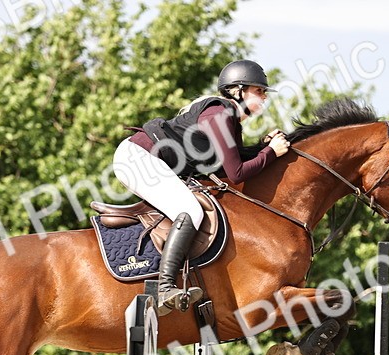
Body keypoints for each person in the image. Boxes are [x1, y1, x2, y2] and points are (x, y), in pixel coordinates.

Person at [112, 59, 291, 313]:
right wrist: (271, 153)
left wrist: (264, 147)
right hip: (139, 158)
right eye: (259, 91)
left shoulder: (227, 119)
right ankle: (163, 288)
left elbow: (228, 166)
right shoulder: (220, 114)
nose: (264, 97)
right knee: (192, 210)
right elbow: (237, 173)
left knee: (190, 207)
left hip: (145, 157)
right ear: (238, 90)